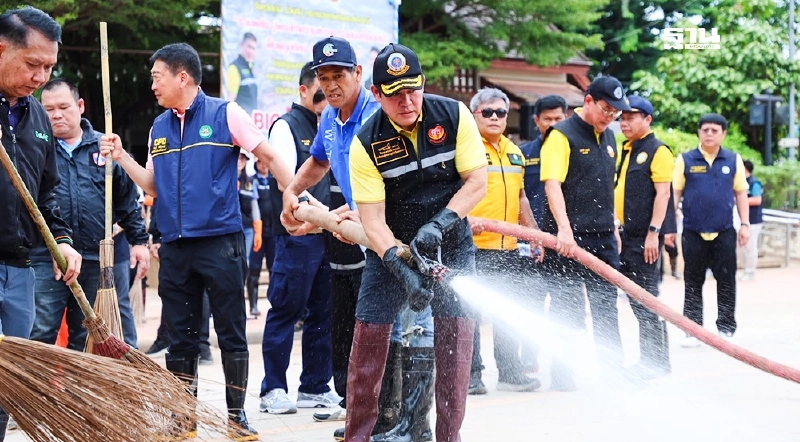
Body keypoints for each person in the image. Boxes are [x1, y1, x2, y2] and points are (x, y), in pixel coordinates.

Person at [100, 42, 299, 440]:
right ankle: (182, 418)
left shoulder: (226, 113)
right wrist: (122, 157)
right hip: (173, 246)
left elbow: (271, 157)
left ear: (182, 76)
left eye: (157, 77)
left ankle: (236, 416)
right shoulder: (159, 127)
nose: (152, 85)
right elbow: (153, 184)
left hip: (220, 243)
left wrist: (291, 195)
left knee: (230, 333)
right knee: (181, 339)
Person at [277, 37, 435, 442]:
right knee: (385, 327)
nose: (330, 85)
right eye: (323, 78)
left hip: (406, 236)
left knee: (413, 325)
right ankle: (385, 422)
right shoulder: (331, 117)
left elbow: (400, 179)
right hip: (371, 235)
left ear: (359, 75)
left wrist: (359, 213)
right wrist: (292, 192)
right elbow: (318, 160)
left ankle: (413, 427)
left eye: (339, 76)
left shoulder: (379, 114)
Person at [329, 42, 488, 442]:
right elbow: (372, 222)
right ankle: (358, 437)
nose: (407, 100)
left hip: (450, 244)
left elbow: (477, 182)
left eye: (413, 89)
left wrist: (439, 224)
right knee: (367, 340)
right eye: (395, 93)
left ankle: (448, 437)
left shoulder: (454, 115)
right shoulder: (366, 143)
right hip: (391, 249)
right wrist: (400, 265)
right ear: (377, 94)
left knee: (455, 348)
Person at [0, 6, 82, 439]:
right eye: (33, 64)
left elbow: (46, 191)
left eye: (49, 67)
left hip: (20, 266)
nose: (41, 77)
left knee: (9, 380)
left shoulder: (36, 118)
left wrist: (63, 240)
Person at [29, 78, 150, 351]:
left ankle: (80, 393)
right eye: (48, 109)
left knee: (89, 338)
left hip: (95, 259)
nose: (56, 114)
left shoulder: (105, 148)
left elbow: (127, 201)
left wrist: (140, 243)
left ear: (80, 105)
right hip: (48, 259)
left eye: (63, 107)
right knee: (40, 333)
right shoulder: (36, 148)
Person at [259, 61, 341, 415]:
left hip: (331, 233)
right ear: (305, 90)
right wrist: (321, 217)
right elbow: (289, 184)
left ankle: (315, 386)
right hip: (297, 235)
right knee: (286, 310)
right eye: (320, 91)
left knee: (324, 311)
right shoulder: (286, 126)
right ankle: (273, 388)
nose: (327, 98)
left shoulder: (338, 126)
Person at [539, 75, 630, 391]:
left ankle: (612, 374)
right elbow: (552, 184)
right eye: (606, 109)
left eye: (616, 112)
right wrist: (564, 230)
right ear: (588, 101)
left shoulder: (609, 137)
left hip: (603, 237)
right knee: (568, 309)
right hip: (568, 239)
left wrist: (614, 224)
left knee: (607, 307)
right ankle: (563, 377)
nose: (611, 117)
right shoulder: (561, 136)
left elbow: (606, 186)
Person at [466, 87, 543, 395]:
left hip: (508, 248)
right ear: (475, 115)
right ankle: (471, 376)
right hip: (472, 247)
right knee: (468, 315)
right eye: (487, 112)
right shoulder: (466, 148)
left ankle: (510, 373)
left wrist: (534, 233)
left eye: (500, 112)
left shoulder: (514, 151)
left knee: (506, 312)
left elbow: (522, 197)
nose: (495, 117)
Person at [673, 113, 750, 347]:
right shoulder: (685, 159)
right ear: (699, 132)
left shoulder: (733, 159)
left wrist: (745, 224)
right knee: (692, 281)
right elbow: (675, 192)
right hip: (693, 231)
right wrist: (670, 222)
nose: (709, 133)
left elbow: (741, 193)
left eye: (715, 130)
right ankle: (692, 331)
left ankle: (726, 328)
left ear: (723, 134)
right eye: (705, 129)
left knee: (726, 281)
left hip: (724, 230)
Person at [616, 96, 676, 379]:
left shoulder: (658, 150)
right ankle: (654, 361)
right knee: (638, 299)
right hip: (626, 236)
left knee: (646, 298)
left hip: (645, 238)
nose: (624, 123)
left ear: (648, 119)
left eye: (631, 117)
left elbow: (664, 194)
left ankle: (654, 363)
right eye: (622, 118)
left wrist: (654, 233)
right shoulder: (627, 149)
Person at [519, 95, 567, 227]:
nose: (553, 124)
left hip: (566, 230)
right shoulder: (522, 154)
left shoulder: (575, 152)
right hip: (533, 230)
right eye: (547, 119)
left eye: (558, 119)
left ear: (566, 118)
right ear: (536, 120)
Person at [247, 157, 275, 317]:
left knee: (274, 269)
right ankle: (253, 305)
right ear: (256, 164)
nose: (264, 166)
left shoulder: (273, 180)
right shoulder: (252, 181)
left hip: (273, 232)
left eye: (266, 163)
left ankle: (274, 302)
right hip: (258, 232)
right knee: (254, 270)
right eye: (260, 163)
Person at [738, 160, 763, 281]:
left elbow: (757, 200)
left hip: (753, 220)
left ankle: (750, 271)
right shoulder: (740, 182)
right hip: (742, 221)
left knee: (751, 246)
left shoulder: (754, 183)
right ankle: (745, 270)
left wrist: (741, 200)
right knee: (741, 247)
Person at [227, 32, 258, 114]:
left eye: (254, 48)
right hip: (240, 120)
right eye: (249, 47)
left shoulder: (250, 66)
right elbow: (231, 100)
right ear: (242, 45)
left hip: (251, 118)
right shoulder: (235, 67)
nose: (251, 51)